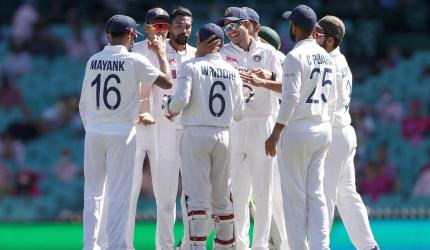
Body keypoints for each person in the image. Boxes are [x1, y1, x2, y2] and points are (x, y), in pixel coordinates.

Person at [79, 14, 172, 250]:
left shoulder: (93, 60)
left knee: (93, 194)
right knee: (119, 194)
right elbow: (168, 82)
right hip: (122, 132)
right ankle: (116, 247)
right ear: (131, 35)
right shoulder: (134, 60)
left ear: (108, 36)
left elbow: (83, 104)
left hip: (94, 131)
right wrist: (161, 54)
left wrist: (93, 126)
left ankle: (89, 246)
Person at [163, 23, 245, 250]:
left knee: (197, 199)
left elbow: (179, 103)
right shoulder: (233, 71)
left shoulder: (191, 66)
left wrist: (167, 107)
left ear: (202, 42)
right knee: (222, 199)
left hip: (196, 133)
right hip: (224, 135)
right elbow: (239, 114)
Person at [265, 5, 335, 250]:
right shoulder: (327, 56)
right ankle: (321, 247)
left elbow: (290, 97)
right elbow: (332, 98)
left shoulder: (295, 56)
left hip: (298, 130)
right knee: (316, 195)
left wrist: (275, 133)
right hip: (322, 127)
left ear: (293, 26)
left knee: (294, 197)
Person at [218, 7, 283, 250]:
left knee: (264, 192)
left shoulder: (268, 52)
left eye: (234, 25)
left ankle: (260, 246)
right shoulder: (222, 53)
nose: (230, 31)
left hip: (262, 124)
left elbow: (286, 88)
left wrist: (267, 77)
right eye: (226, 27)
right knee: (239, 193)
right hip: (234, 125)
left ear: (248, 25)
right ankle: (241, 245)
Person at [134, 7, 197, 250]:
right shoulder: (154, 50)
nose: (184, 30)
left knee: (191, 195)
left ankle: (191, 244)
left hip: (191, 129)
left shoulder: (195, 54)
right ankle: (165, 246)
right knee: (166, 197)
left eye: (188, 26)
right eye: (179, 25)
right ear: (171, 27)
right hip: (165, 130)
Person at [315, 15, 379, 250]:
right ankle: (369, 246)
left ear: (329, 40)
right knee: (346, 195)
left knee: (325, 195)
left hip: (333, 132)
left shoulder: (329, 63)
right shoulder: (339, 59)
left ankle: (321, 246)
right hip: (344, 131)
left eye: (318, 34)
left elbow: (326, 104)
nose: (313, 37)